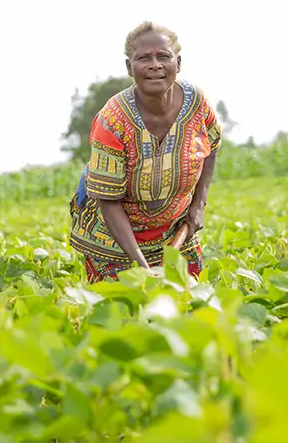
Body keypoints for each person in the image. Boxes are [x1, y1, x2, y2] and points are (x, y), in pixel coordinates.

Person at [69, 21, 222, 283]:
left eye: (163, 56)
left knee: (188, 303)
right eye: (144, 58)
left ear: (178, 62)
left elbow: (212, 145)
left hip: (175, 229)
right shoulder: (113, 119)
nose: (155, 65)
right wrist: (143, 269)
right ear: (130, 67)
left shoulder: (196, 102)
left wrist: (198, 205)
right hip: (114, 238)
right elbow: (109, 202)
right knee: (121, 311)